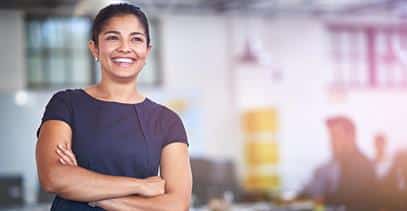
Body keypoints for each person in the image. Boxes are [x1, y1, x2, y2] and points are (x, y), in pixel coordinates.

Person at [35, 3, 192, 211]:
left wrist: (92, 193)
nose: (125, 48)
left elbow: (176, 205)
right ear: (94, 48)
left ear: (147, 51)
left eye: (136, 39)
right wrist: (141, 186)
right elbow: (53, 177)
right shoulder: (66, 104)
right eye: (112, 37)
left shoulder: (166, 121)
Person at [300, 116, 377, 211]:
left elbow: (342, 197)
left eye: (335, 136)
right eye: (330, 136)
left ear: (351, 137)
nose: (331, 141)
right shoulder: (335, 164)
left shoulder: (362, 166)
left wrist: (315, 199)